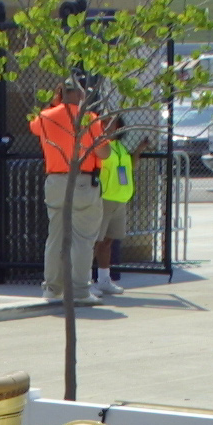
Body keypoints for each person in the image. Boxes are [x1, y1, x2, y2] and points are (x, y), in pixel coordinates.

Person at [28, 83, 108, 305]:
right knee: (82, 239)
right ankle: (80, 291)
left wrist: (55, 104)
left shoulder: (45, 117)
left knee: (55, 237)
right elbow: (104, 152)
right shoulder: (89, 118)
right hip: (82, 180)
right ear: (80, 93)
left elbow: (34, 127)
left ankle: (52, 288)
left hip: (55, 180)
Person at [94, 112, 134, 296]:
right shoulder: (100, 145)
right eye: (104, 123)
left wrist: (139, 150)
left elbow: (128, 167)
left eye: (111, 123)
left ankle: (104, 280)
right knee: (95, 241)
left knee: (108, 241)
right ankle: (84, 281)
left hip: (120, 199)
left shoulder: (120, 146)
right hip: (104, 198)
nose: (107, 126)